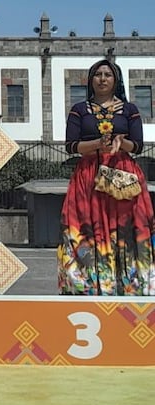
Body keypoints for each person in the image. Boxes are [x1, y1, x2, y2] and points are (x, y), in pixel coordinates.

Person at [58, 59, 155, 295]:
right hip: (89, 177)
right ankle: (86, 285)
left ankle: (131, 284)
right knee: (83, 226)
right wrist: (97, 145)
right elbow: (71, 146)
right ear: (91, 80)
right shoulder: (79, 109)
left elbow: (138, 146)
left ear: (116, 80)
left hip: (123, 176)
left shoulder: (130, 110)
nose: (102, 78)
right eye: (98, 74)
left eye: (108, 74)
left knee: (126, 228)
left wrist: (122, 143)